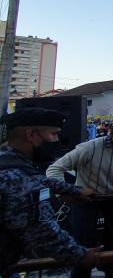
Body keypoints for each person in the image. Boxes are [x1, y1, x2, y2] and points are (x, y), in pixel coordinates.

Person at [47, 116, 113, 278]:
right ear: (112, 133)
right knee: (83, 244)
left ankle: (112, 271)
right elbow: (55, 169)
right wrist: (66, 192)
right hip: (86, 200)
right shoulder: (90, 147)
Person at [0, 108, 100, 274]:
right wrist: (80, 255)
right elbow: (42, 232)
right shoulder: (19, 178)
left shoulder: (8, 160)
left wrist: (73, 190)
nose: (57, 140)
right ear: (31, 135)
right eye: (53, 134)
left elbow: (39, 180)